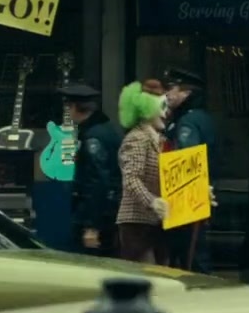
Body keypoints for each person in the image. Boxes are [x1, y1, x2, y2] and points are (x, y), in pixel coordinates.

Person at [161, 68, 217, 273]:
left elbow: (186, 161)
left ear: (186, 92)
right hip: (196, 197)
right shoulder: (200, 117)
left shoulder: (188, 121)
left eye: (171, 88)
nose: (167, 94)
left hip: (187, 200)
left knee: (191, 259)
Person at [63, 81, 123, 256]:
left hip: (98, 215)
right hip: (108, 211)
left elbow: (97, 182)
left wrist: (92, 225)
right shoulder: (106, 129)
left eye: (68, 107)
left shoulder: (93, 137)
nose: (67, 113)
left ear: (75, 108)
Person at [115, 79, 170, 264]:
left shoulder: (161, 140)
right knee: (147, 274)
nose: (165, 113)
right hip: (136, 224)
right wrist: (152, 201)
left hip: (157, 223)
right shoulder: (137, 138)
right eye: (161, 106)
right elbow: (131, 179)